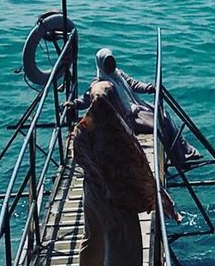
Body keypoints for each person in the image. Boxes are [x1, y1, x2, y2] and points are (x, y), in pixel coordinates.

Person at [69, 83, 181, 266]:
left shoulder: (81, 130)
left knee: (93, 235)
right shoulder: (119, 131)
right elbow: (137, 165)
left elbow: (79, 158)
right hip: (117, 196)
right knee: (122, 244)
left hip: (92, 190)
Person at [63, 47, 203, 172]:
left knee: (164, 116)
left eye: (112, 60)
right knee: (160, 123)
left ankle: (183, 154)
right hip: (128, 117)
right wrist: (74, 104)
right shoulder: (100, 84)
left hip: (136, 107)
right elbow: (87, 98)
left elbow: (133, 84)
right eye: (107, 62)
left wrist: (149, 88)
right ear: (101, 64)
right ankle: (180, 157)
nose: (111, 64)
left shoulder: (118, 75)